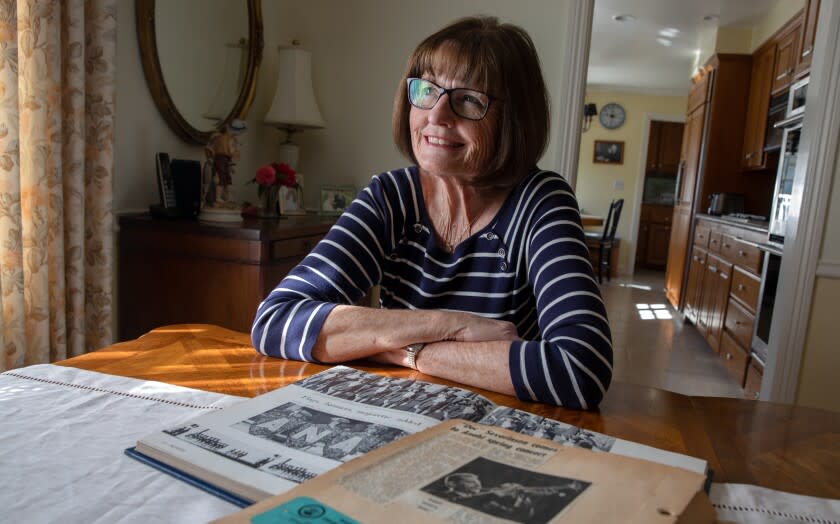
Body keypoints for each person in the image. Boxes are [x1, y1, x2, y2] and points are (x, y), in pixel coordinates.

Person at [251, 16, 612, 408]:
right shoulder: (390, 196)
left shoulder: (541, 202)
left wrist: (396, 349)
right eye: (426, 90)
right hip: (393, 415)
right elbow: (276, 320)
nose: (437, 115)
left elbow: (581, 370)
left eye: (470, 99)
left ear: (513, 120)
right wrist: (451, 325)